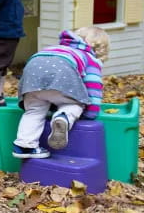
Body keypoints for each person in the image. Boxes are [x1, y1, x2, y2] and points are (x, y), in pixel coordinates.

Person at [12, 27, 110, 158]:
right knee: (74, 103)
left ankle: (24, 146)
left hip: (32, 74)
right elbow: (93, 87)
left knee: (34, 110)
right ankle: (63, 117)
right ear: (100, 49)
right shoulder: (89, 57)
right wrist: (90, 113)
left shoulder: (56, 48)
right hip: (61, 75)